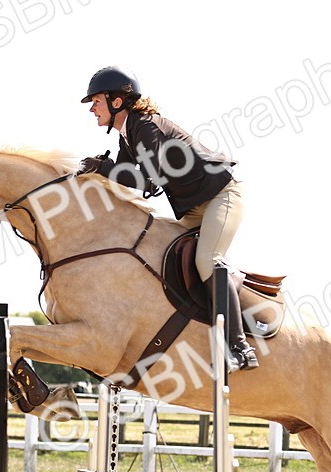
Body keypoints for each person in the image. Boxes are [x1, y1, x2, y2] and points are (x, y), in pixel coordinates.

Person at [77, 66, 258, 371]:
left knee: (207, 260)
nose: (92, 108)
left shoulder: (146, 126)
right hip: (193, 210)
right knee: (157, 251)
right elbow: (124, 185)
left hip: (221, 197)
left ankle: (240, 347)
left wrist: (103, 169)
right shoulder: (127, 137)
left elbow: (148, 181)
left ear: (117, 101)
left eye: (96, 101)